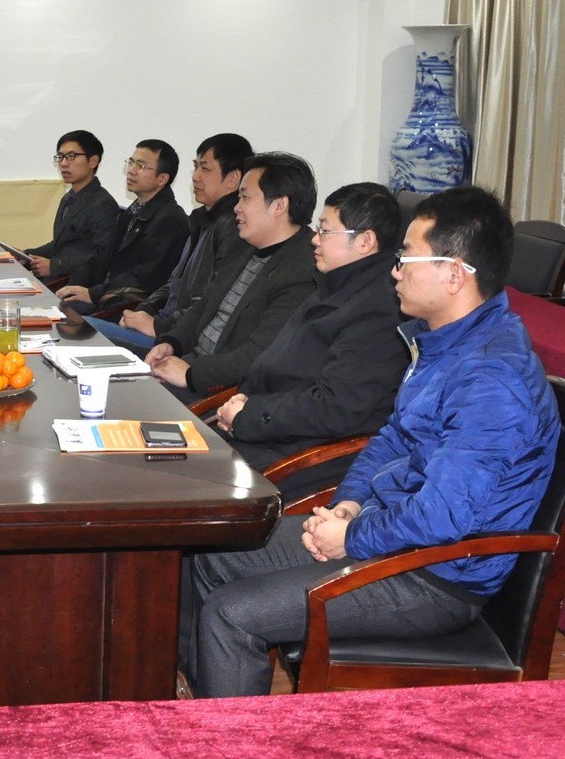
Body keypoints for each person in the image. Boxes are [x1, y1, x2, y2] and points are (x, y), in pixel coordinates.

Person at [179, 186, 560, 698]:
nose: (395, 271)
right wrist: (349, 503)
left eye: (407, 258)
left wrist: (352, 538)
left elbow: (445, 517)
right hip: (391, 535)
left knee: (233, 614)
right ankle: (201, 707)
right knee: (209, 554)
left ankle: (230, 743)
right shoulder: (446, 344)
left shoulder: (491, 379)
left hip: (436, 575)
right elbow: (390, 439)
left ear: (454, 274)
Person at [207, 182, 408, 492]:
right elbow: (276, 364)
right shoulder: (333, 285)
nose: (314, 239)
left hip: (300, 454)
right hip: (267, 431)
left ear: (365, 241)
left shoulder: (379, 308)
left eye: (325, 231)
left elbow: (334, 407)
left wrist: (249, 415)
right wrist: (243, 399)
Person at [144, 152, 319, 401]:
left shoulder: (303, 270)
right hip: (191, 364)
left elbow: (258, 354)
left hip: (221, 390)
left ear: (279, 206)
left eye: (245, 197)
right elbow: (204, 306)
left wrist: (191, 374)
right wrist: (171, 342)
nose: (237, 207)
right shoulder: (242, 244)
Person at [91, 133, 253, 351]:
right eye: (195, 167)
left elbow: (210, 303)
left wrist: (158, 326)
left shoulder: (233, 228)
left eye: (205, 169)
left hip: (176, 339)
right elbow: (173, 283)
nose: (195, 177)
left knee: (84, 330)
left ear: (233, 178)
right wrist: (144, 311)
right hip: (161, 323)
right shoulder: (201, 220)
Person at [55, 139, 189, 315]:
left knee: (64, 317)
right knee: (56, 305)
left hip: (129, 306)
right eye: (131, 162)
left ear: (162, 179)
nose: (131, 170)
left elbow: (145, 277)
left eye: (141, 166)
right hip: (106, 294)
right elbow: (101, 257)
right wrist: (73, 285)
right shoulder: (132, 212)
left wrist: (93, 294)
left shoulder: (171, 218)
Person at [25, 130, 120, 287]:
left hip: (76, 286)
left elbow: (102, 257)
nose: (63, 163)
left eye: (71, 156)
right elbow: (60, 245)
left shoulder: (103, 204)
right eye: (60, 157)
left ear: (93, 161)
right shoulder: (68, 197)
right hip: (58, 280)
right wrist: (25, 255)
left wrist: (54, 266)